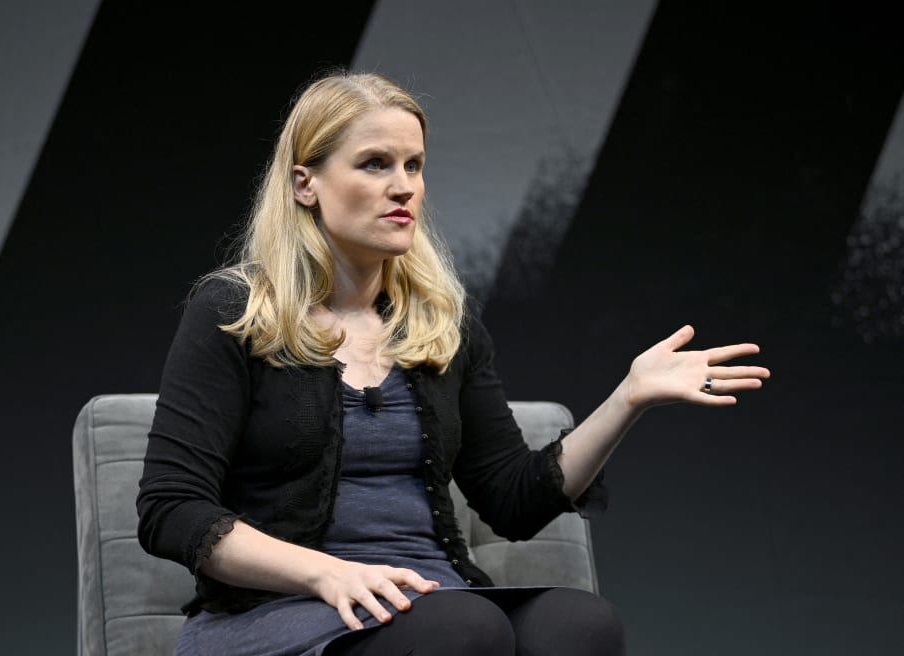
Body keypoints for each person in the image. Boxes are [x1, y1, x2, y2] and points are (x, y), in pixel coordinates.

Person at [136, 67, 770, 656]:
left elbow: (513, 500)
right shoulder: (236, 312)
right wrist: (329, 573)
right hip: (277, 607)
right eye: (375, 164)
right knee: (460, 627)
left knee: (580, 624)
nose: (404, 186)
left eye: (414, 164)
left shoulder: (441, 324)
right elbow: (172, 509)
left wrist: (627, 398)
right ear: (306, 184)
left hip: (433, 600)